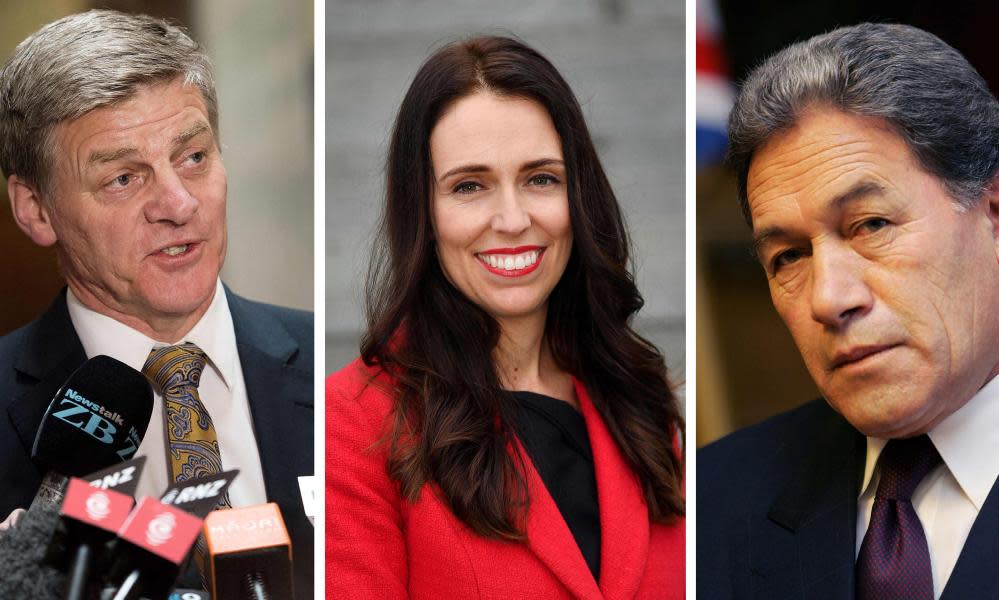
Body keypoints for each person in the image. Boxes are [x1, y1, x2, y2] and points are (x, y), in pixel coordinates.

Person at [326, 36, 684, 599]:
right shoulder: (353, 425)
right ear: (424, 213)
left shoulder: (640, 403)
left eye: (541, 178)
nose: (513, 219)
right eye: (470, 186)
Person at [0, 10, 313, 595]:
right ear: (36, 209)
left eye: (194, 157)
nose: (178, 203)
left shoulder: (341, 372)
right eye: (124, 178)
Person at [698, 23, 999, 599]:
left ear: (992, 213)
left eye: (871, 225)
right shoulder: (708, 502)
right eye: (788, 257)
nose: (829, 299)